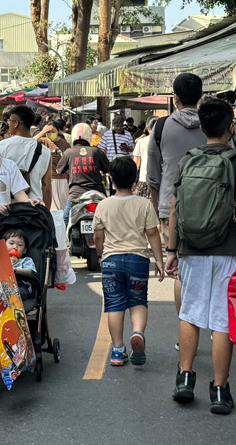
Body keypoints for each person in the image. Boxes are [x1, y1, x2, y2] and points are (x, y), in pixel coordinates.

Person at [166, 99, 236, 415]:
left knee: (190, 313)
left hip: (191, 249)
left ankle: (185, 379)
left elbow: (175, 209)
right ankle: (219, 390)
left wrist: (171, 250)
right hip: (226, 250)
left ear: (203, 128)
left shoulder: (187, 161)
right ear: (230, 127)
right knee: (222, 320)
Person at [147, 73, 206, 325]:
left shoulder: (161, 127)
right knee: (209, 269)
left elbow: (152, 176)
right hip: (210, 205)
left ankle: (186, 331)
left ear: (176, 97)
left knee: (181, 270)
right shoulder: (212, 124)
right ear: (200, 97)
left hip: (171, 207)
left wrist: (157, 206)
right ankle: (213, 326)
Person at [92, 157, 163, 367]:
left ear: (111, 179)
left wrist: (100, 255)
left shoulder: (103, 205)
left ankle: (117, 350)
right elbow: (153, 234)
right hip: (138, 260)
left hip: (111, 260)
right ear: (135, 179)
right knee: (138, 300)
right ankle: (138, 333)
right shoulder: (144, 204)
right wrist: (159, 260)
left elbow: (98, 236)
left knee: (114, 303)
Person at [56, 123, 110, 228]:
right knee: (108, 218)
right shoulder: (96, 152)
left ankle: (68, 242)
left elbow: (59, 170)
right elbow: (107, 168)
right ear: (89, 136)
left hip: (75, 195)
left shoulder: (68, 152)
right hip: (97, 193)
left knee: (66, 218)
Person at [0, 105, 52, 208]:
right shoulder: (44, 151)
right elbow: (46, 187)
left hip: (8, 208)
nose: (8, 124)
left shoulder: (1, 147)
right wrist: (46, 213)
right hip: (35, 208)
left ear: (16, 123)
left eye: (9, 121)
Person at [35, 121, 71, 211]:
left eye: (53, 131)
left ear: (58, 131)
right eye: (48, 132)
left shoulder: (64, 144)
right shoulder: (42, 142)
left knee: (61, 207)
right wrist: (42, 132)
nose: (50, 134)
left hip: (61, 179)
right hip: (45, 178)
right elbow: (29, 143)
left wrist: (55, 150)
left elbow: (67, 162)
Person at [133, 116, 158, 198]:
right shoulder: (165, 141)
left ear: (148, 128)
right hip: (160, 180)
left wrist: (133, 181)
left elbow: (136, 164)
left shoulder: (141, 141)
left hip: (144, 179)